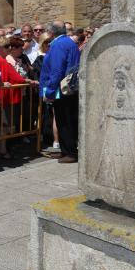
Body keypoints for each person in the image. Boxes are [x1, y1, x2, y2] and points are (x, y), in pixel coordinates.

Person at [39, 21, 80, 163]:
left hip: (62, 89)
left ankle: (70, 152)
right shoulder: (69, 42)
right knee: (66, 119)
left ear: (51, 32)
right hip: (70, 87)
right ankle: (66, 150)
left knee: (64, 120)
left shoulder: (58, 45)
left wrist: (49, 91)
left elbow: (57, 70)